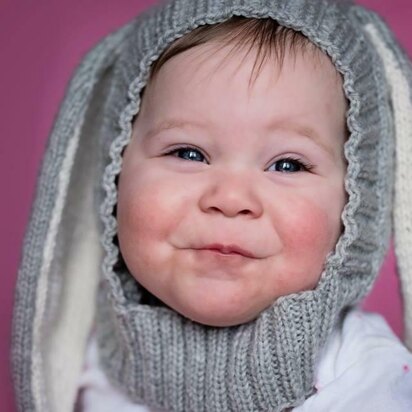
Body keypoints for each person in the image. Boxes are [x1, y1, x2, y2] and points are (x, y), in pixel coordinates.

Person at [11, 0, 412, 411]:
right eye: (188, 154)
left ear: (356, 203)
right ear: (114, 173)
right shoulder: (86, 367)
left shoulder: (368, 379)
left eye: (287, 164)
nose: (230, 199)